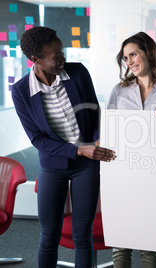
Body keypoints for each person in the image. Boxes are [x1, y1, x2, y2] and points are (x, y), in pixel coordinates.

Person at [11, 26, 116, 267]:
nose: (63, 58)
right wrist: (78, 149)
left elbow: (94, 112)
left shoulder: (77, 73)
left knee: (82, 234)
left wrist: (99, 138)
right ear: (35, 60)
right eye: (55, 55)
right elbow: (37, 139)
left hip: (86, 166)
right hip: (52, 166)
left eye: (62, 51)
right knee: (49, 236)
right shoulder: (21, 91)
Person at [107, 32, 156, 268]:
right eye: (126, 58)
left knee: (150, 245)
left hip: (155, 176)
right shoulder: (119, 91)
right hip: (123, 173)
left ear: (149, 53)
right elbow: (110, 133)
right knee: (121, 244)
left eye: (134, 55)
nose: (130, 63)